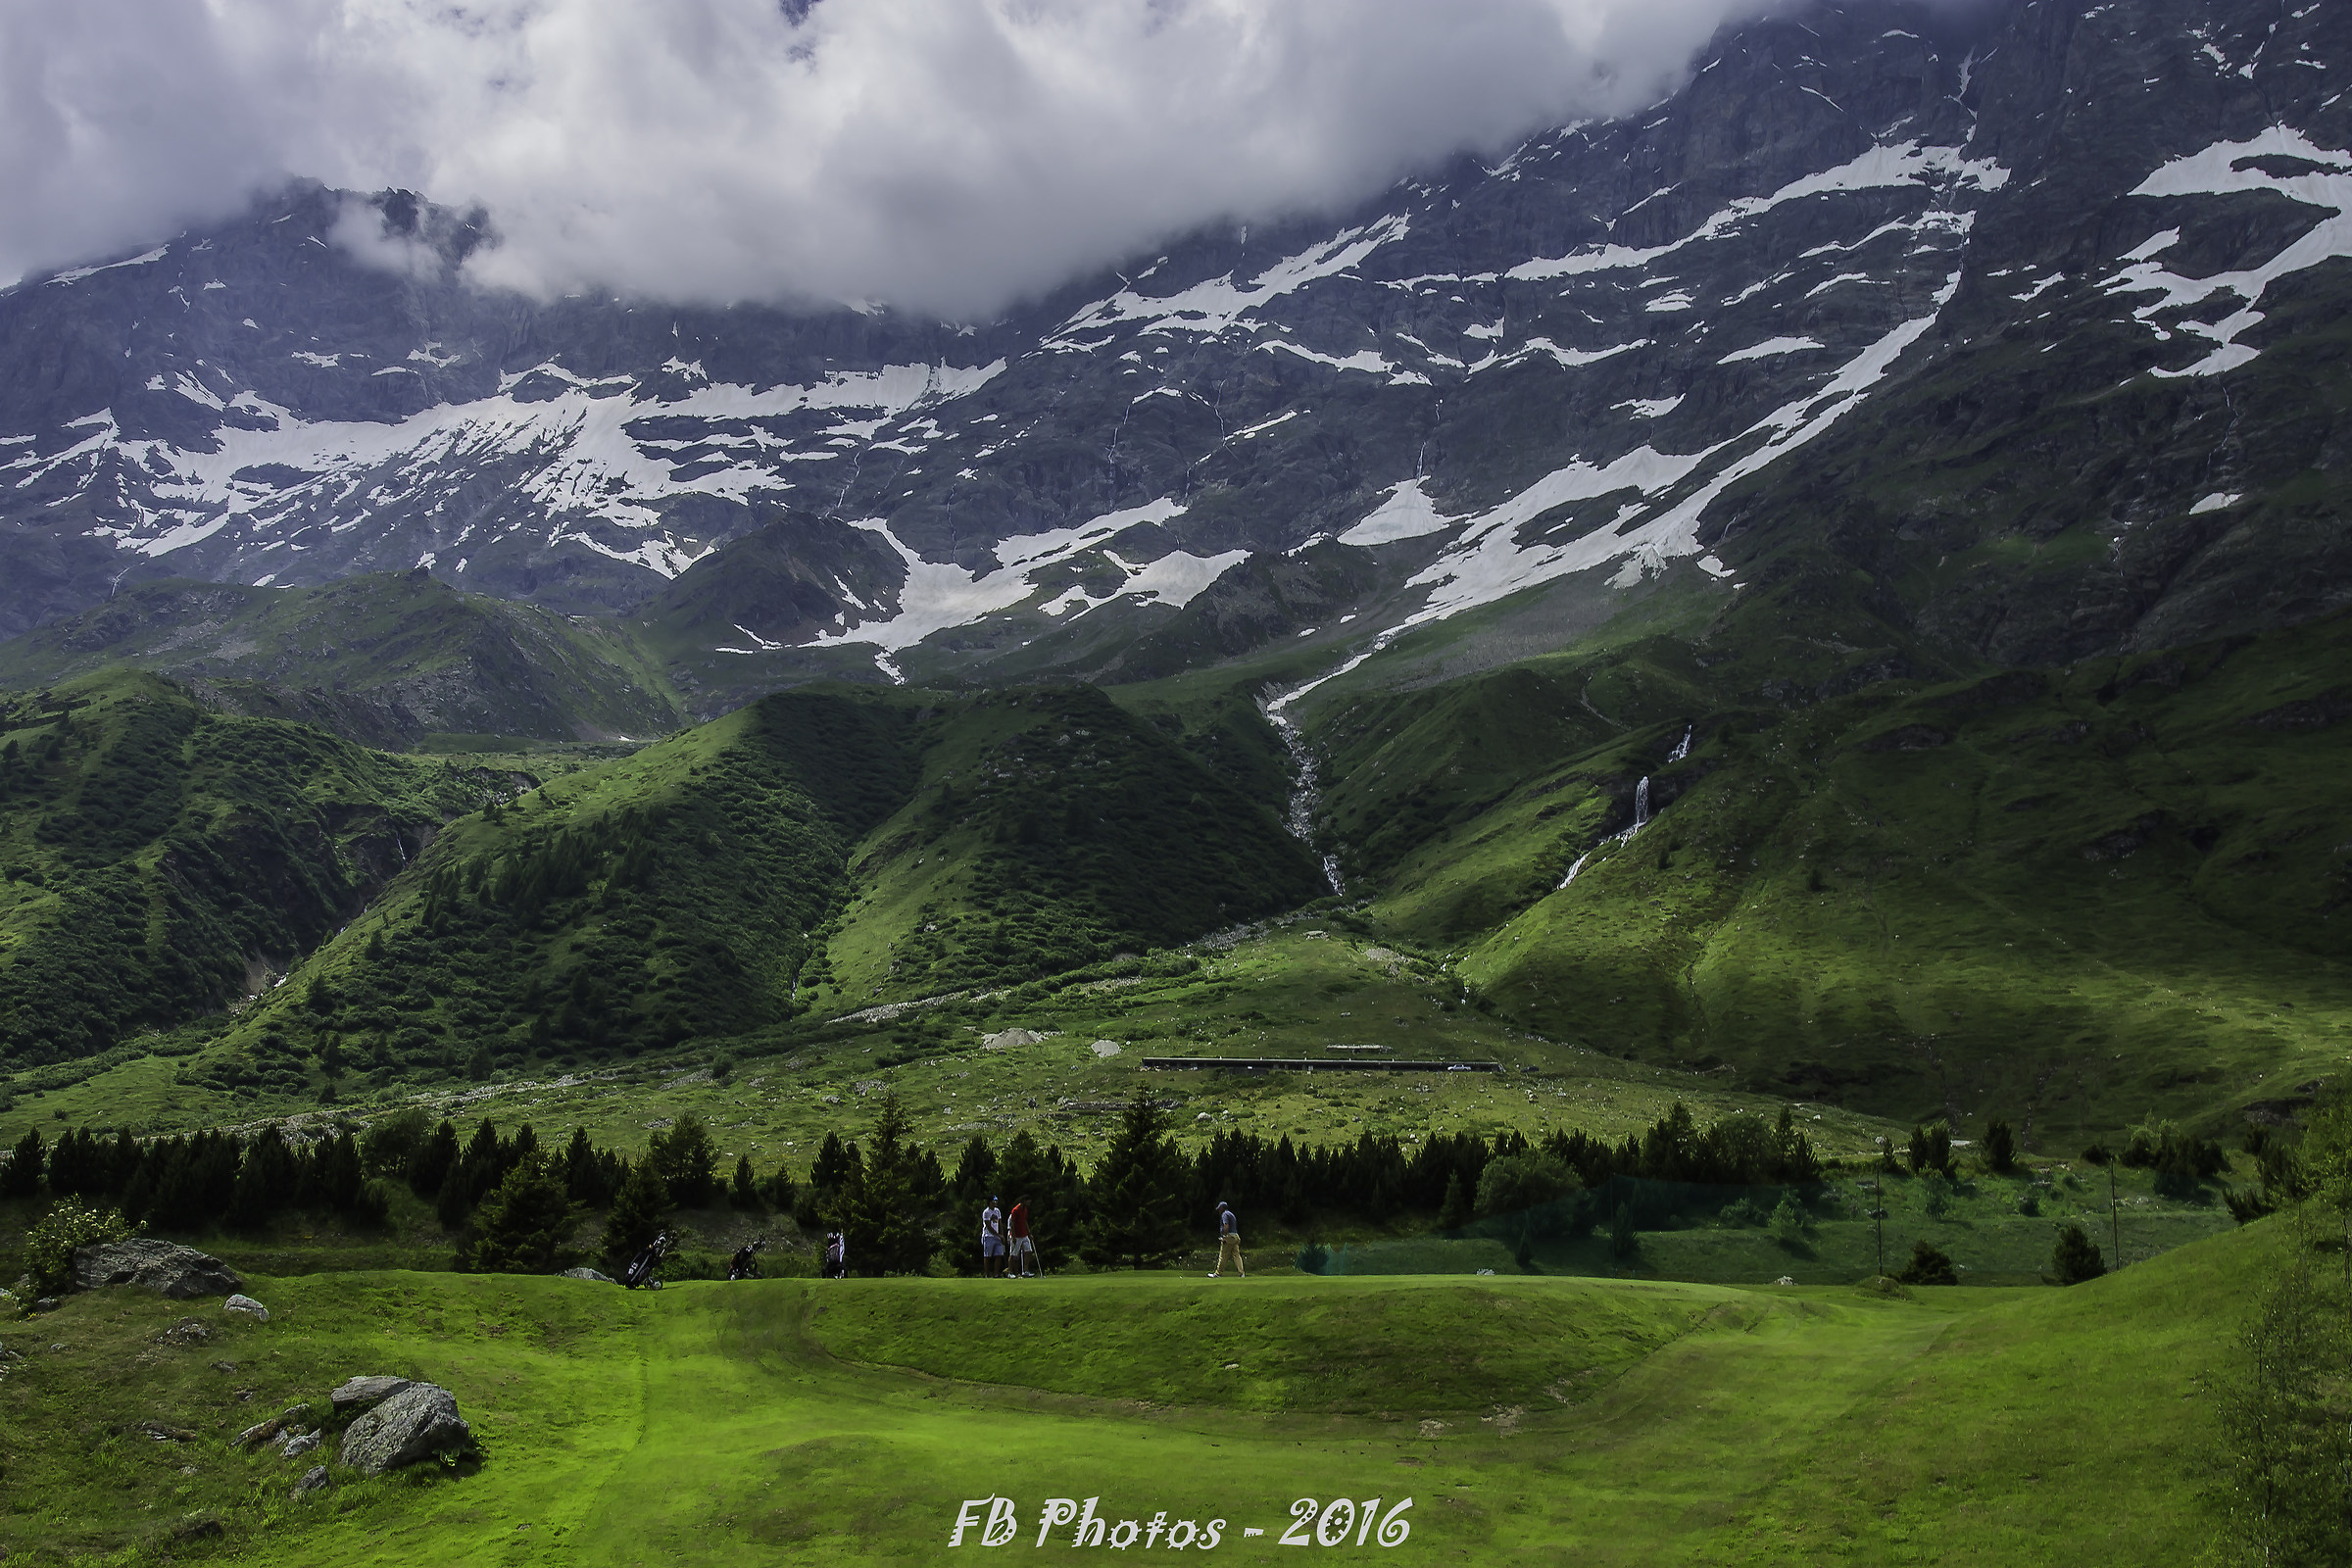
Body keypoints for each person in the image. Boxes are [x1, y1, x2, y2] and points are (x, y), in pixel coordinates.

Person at [1210, 1200, 1245, 1279]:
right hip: (1235, 1236)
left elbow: (1226, 1225)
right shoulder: (1231, 1214)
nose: (1219, 1210)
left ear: (1222, 1208)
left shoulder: (1224, 1214)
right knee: (1236, 1256)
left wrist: (1224, 1237)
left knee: (1223, 1256)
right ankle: (1241, 1273)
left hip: (1229, 1236)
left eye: (1219, 1208)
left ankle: (1218, 1274)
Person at [1006, 1197, 1036, 1278]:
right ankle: (1010, 1272)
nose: (1029, 1204)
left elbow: (1025, 1221)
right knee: (1013, 1254)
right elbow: (1012, 1223)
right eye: (1028, 1202)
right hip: (1017, 1236)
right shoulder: (1015, 1210)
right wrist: (1014, 1236)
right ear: (1024, 1201)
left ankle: (1025, 1271)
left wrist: (1029, 1233)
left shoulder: (1025, 1210)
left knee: (1029, 1250)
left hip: (1024, 1235)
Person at [980, 1195, 1005, 1278]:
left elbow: (1000, 1223)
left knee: (998, 1254)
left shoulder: (997, 1211)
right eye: (994, 1201)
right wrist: (998, 1235)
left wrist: (1001, 1235)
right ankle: (987, 1274)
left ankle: (996, 1273)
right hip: (988, 1236)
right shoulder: (986, 1212)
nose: (996, 1203)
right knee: (988, 1256)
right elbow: (988, 1226)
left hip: (997, 1236)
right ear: (990, 1202)